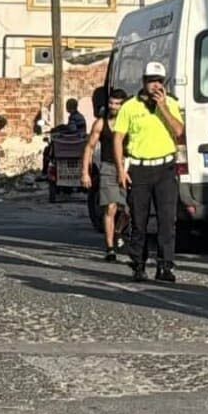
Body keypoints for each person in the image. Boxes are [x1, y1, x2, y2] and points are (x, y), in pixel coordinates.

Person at [113, 62, 184, 283]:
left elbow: (179, 131)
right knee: (139, 220)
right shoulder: (130, 107)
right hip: (139, 169)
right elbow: (118, 138)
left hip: (165, 168)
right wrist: (120, 170)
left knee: (167, 220)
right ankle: (138, 264)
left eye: (159, 81)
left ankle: (165, 266)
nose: (155, 85)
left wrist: (163, 107)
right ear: (143, 82)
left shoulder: (171, 103)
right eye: (151, 81)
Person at [82, 88, 129, 262]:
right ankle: (110, 249)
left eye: (117, 104)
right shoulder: (101, 123)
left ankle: (118, 232)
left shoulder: (131, 122)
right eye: (111, 103)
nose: (113, 106)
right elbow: (89, 147)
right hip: (109, 167)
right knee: (110, 207)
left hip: (129, 167)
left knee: (129, 210)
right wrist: (85, 172)